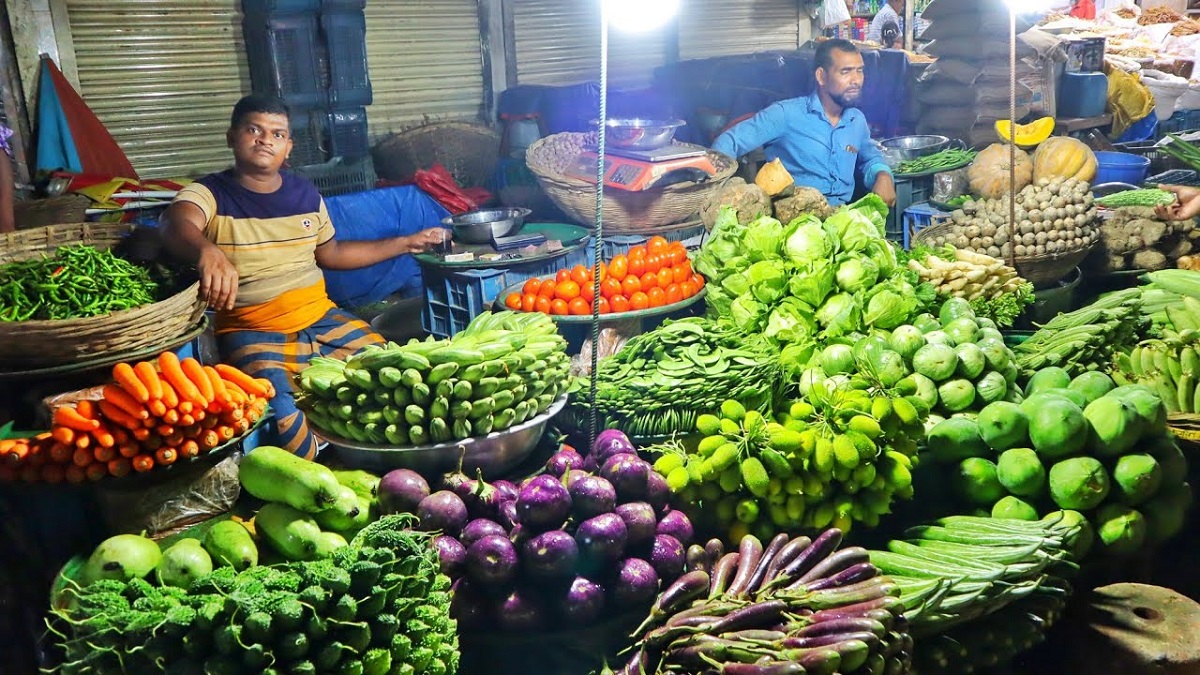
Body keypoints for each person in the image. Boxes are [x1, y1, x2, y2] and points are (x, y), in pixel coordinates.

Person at [161, 93, 448, 459]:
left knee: (391, 371)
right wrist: (207, 250)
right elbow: (175, 222)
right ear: (232, 137)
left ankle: (385, 459)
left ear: (288, 147)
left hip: (322, 316)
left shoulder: (305, 193)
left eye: (277, 134)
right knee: (284, 417)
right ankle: (327, 474)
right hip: (253, 327)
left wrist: (407, 243)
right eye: (254, 130)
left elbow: (332, 254)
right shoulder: (210, 192)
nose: (266, 140)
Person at [711, 39, 896, 208]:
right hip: (794, 224)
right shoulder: (786, 114)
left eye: (860, 70)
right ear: (822, 77)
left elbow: (871, 157)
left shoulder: (856, 120)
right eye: (845, 71)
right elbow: (730, 142)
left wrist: (883, 175)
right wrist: (720, 190)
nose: (856, 80)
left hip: (842, 221)